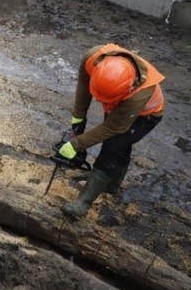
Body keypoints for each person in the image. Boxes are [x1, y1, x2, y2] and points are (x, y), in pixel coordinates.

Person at [57, 43, 165, 219]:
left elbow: (113, 128)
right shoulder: (94, 57)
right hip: (118, 107)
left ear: (129, 87)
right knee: (121, 146)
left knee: (114, 146)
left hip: (145, 116)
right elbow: (84, 88)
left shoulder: (139, 93)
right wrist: (77, 125)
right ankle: (111, 185)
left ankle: (82, 204)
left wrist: (77, 144)